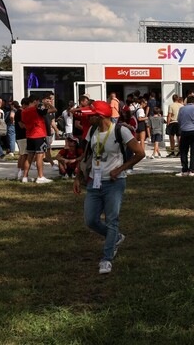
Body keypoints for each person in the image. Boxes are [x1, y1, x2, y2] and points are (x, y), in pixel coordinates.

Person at [73, 100, 145, 274]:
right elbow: (86, 155)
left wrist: (120, 169)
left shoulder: (121, 131)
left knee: (112, 220)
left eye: (91, 116)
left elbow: (140, 153)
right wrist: (78, 176)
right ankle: (116, 238)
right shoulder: (92, 131)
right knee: (90, 220)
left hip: (114, 183)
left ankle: (106, 258)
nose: (87, 119)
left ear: (100, 116)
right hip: (94, 181)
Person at [20, 95, 52, 183]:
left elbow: (24, 123)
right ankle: (40, 176)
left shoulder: (23, 111)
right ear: (35, 101)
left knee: (29, 156)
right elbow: (53, 110)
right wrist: (47, 104)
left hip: (29, 135)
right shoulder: (36, 109)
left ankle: (25, 176)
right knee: (40, 156)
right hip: (39, 135)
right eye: (38, 101)